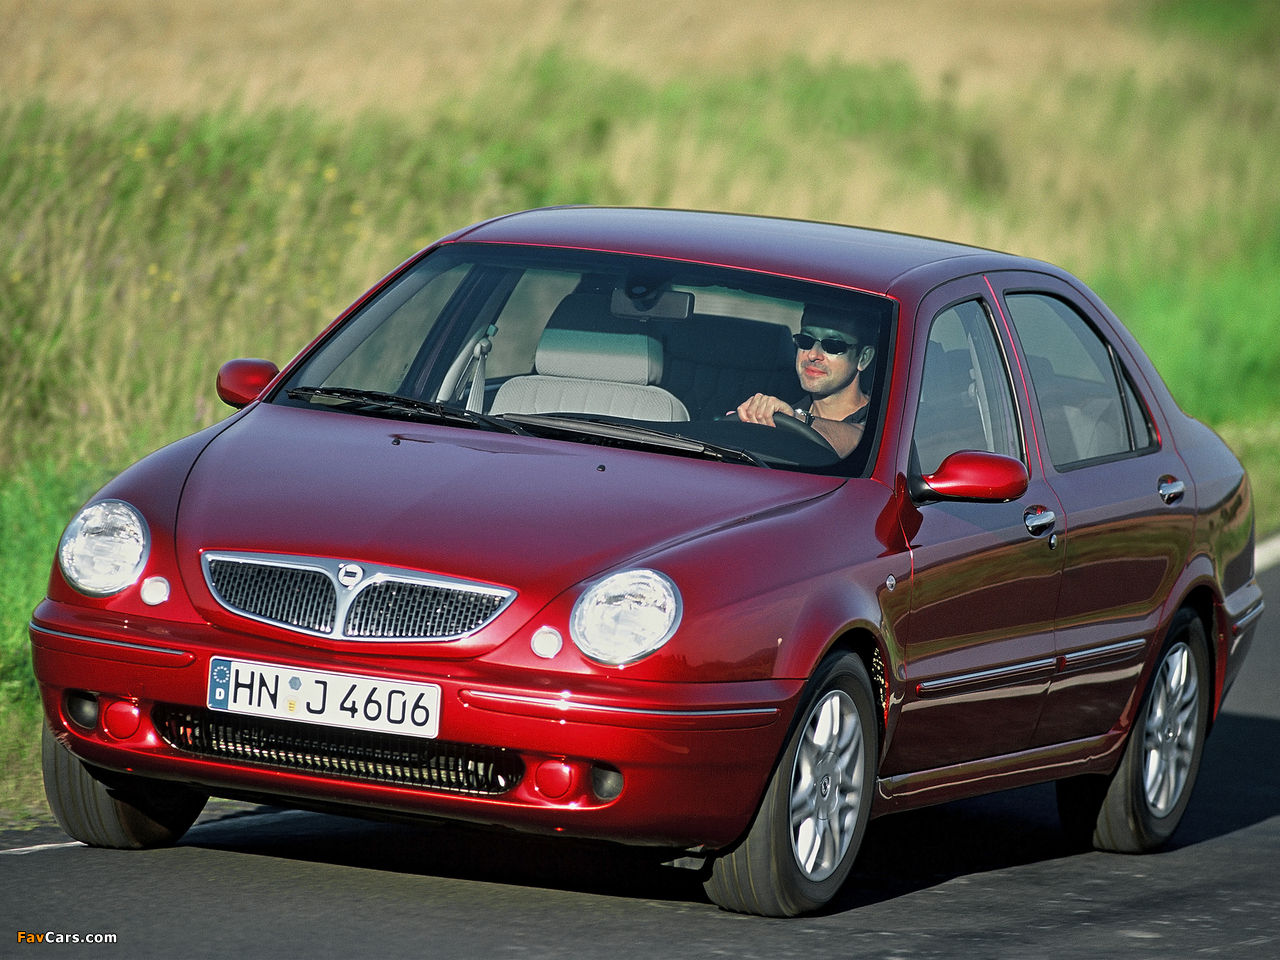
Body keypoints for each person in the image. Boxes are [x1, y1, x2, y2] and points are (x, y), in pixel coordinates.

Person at [736, 304, 876, 458]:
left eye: (833, 345)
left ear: (864, 358)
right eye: (806, 341)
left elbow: (864, 441)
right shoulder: (784, 413)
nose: (813, 355)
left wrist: (795, 421)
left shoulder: (886, 420)